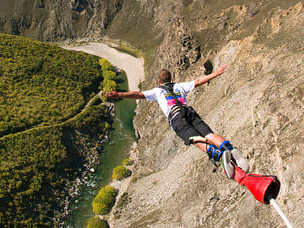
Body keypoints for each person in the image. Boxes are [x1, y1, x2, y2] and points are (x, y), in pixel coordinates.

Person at [105, 64, 249, 179]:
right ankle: (231, 149)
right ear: (171, 78)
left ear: (159, 81)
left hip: (177, 118)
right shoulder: (179, 86)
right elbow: (198, 81)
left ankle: (219, 156)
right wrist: (216, 73)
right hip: (190, 112)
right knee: (209, 135)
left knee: (195, 139)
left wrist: (118, 94)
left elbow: (138, 94)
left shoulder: (157, 91)